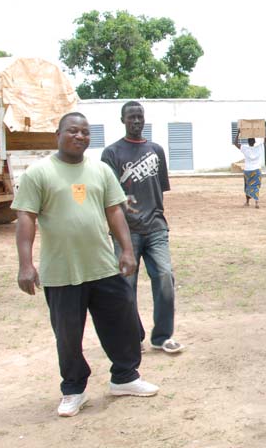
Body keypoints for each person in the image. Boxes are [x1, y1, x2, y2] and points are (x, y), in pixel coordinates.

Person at [12, 112, 159, 419]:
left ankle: (125, 377)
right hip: (61, 272)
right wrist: (25, 265)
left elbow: (115, 211)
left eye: (85, 132)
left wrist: (127, 251)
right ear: (58, 134)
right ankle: (73, 390)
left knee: (122, 325)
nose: (79, 136)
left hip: (103, 267)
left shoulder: (100, 170)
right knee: (67, 335)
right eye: (72, 131)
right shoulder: (39, 173)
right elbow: (26, 218)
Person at [100, 101, 183, 354]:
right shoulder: (111, 153)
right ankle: (131, 335)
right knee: (125, 287)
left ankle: (162, 336)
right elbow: (110, 196)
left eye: (139, 117)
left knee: (165, 279)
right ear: (122, 120)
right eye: (131, 117)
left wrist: (153, 213)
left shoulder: (156, 150)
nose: (136, 121)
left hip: (157, 228)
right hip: (127, 231)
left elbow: (160, 189)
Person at [233, 131, 264, 208]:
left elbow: (235, 142)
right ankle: (257, 202)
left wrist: (238, 133)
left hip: (248, 170)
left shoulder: (245, 148)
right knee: (256, 186)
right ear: (254, 141)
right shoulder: (259, 147)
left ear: (248, 142)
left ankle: (247, 202)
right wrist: (264, 131)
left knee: (247, 186)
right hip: (257, 170)